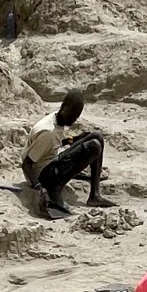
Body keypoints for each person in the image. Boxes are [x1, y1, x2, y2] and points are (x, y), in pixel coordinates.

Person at [22, 88, 111, 219]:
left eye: (76, 117)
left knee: (97, 136)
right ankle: (56, 189)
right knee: (93, 147)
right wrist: (39, 187)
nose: (73, 120)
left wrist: (74, 140)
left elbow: (54, 143)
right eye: (72, 115)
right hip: (44, 175)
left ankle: (95, 195)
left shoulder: (56, 119)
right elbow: (27, 164)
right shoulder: (47, 132)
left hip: (51, 163)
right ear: (63, 107)